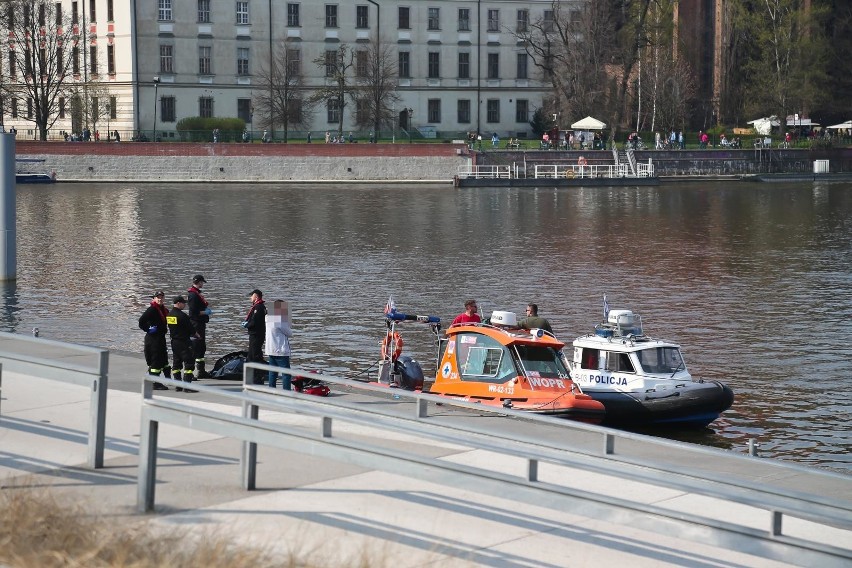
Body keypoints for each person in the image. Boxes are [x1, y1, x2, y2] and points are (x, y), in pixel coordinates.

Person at [138, 291, 171, 390]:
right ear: (154, 299)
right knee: (155, 361)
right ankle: (154, 383)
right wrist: (148, 329)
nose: (160, 299)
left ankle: (166, 378)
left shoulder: (164, 310)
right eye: (158, 297)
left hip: (160, 338)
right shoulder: (152, 310)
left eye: (161, 297)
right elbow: (141, 321)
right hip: (153, 339)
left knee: (163, 359)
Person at [167, 296, 198, 393]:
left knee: (176, 363)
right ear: (178, 303)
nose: (185, 305)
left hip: (174, 342)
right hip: (184, 342)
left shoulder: (169, 315)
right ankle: (187, 386)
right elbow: (191, 329)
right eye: (184, 303)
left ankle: (178, 385)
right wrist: (197, 335)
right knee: (189, 363)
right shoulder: (182, 316)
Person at [187, 274, 213, 378]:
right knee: (195, 347)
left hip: (200, 324)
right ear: (199, 282)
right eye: (202, 282)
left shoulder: (196, 293)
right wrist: (205, 312)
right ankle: (190, 372)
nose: (203, 284)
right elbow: (193, 313)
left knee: (201, 347)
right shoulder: (193, 295)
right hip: (196, 323)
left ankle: (201, 371)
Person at [265, 299, 293, 389]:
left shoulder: (267, 318)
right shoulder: (280, 320)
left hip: (270, 349)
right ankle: (286, 392)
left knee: (272, 373)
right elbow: (289, 333)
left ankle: (271, 390)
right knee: (286, 374)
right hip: (280, 350)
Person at [243, 289, 267, 369]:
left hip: (256, 334)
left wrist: (247, 325)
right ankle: (252, 373)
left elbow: (255, 321)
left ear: (256, 296)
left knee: (255, 354)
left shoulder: (259, 307)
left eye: (251, 296)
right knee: (252, 353)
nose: (250, 298)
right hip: (255, 334)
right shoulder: (257, 306)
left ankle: (257, 374)